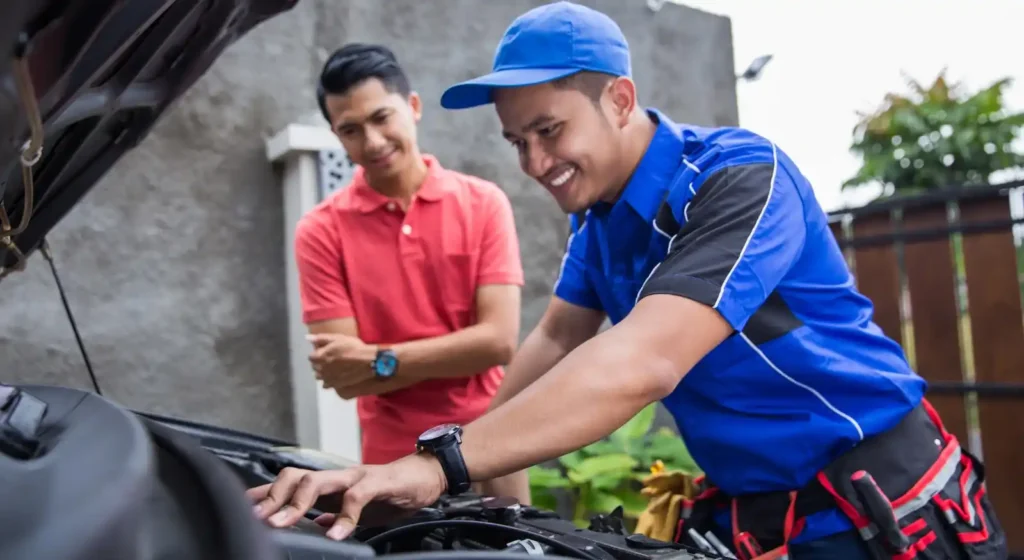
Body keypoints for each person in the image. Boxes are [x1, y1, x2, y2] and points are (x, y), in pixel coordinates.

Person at [251, 4, 1006, 559]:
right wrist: (448, 454)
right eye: (518, 142)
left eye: (550, 132)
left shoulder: (740, 181)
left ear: (618, 98)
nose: (535, 163)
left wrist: (441, 463)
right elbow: (556, 334)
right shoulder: (599, 222)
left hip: (880, 507)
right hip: (763, 519)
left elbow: (644, 360)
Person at [293, 43, 526, 474]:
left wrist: (379, 361)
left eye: (382, 117)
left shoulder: (483, 204)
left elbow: (497, 343)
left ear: (413, 106)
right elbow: (345, 378)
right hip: (392, 462)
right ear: (336, 136)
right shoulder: (320, 231)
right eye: (351, 130)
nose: (373, 141)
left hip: (492, 447)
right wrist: (457, 353)